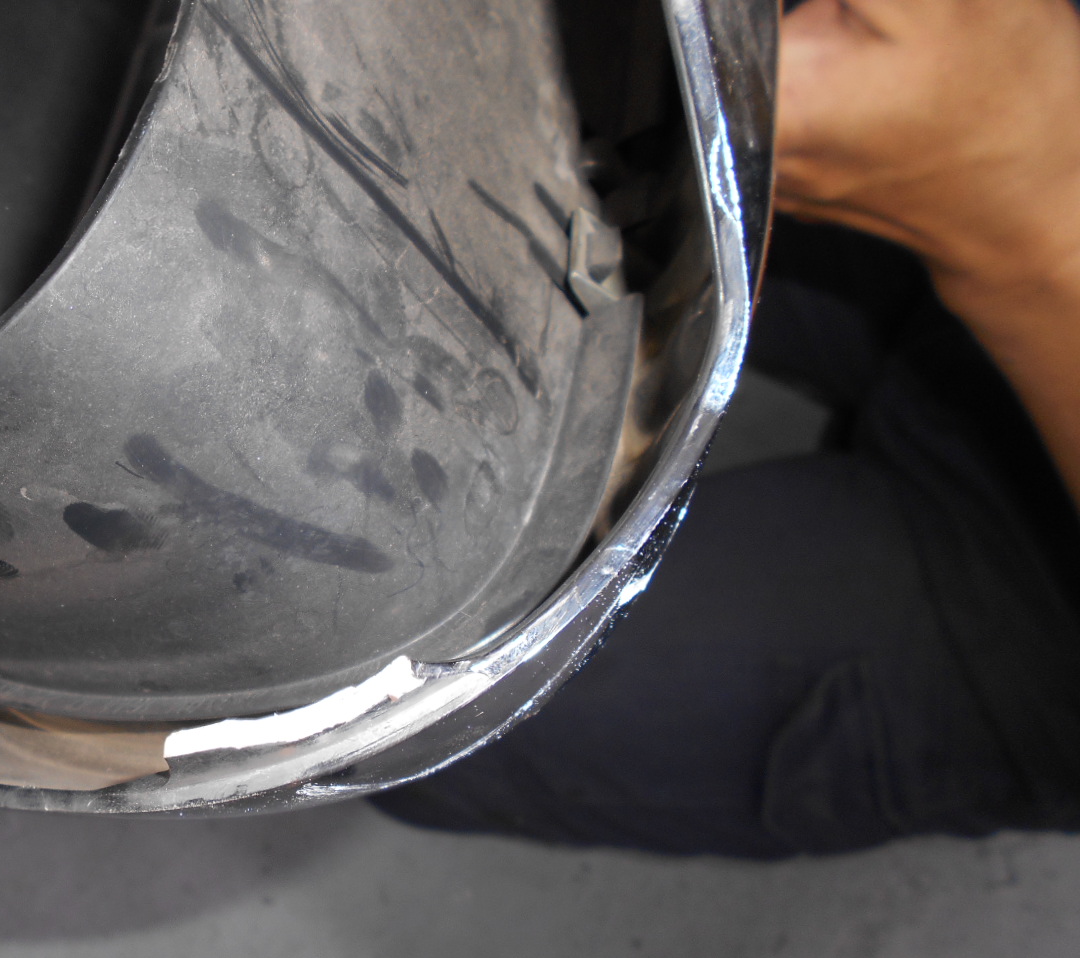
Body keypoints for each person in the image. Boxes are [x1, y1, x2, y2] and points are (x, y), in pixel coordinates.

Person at [374, 0, 1080, 857]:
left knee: (428, 719)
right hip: (1004, 132)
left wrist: (1042, 235)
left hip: (1032, 599)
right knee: (580, 162)